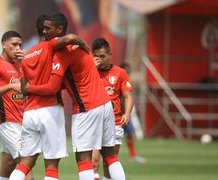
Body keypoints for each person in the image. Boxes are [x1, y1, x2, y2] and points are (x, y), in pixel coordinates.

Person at [25, 13, 126, 180]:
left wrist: (28, 89)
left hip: (87, 108)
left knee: (83, 159)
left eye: (48, 28)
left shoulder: (62, 53)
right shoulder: (80, 48)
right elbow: (71, 81)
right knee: (110, 156)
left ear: (59, 30)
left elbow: (52, 87)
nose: (44, 31)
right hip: (105, 105)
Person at [9, 14, 89, 180]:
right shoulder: (49, 46)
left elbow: (24, 89)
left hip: (30, 113)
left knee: (25, 163)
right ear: (46, 32)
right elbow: (68, 39)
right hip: (50, 110)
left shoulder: (26, 57)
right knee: (51, 166)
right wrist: (80, 42)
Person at [0, 31, 32, 180]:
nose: (17, 48)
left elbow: (27, 88)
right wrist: (10, 87)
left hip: (21, 122)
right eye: (14, 44)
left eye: (20, 45)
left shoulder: (20, 65)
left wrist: (26, 63)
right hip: (7, 123)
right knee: (26, 162)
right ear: (4, 45)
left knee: (8, 165)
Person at [91, 38, 133, 180]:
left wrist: (127, 113)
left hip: (114, 123)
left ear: (110, 55)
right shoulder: (89, 73)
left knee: (109, 162)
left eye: (102, 56)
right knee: (93, 162)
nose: (100, 60)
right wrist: (92, 69)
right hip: (94, 122)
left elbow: (128, 96)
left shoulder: (120, 73)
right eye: (96, 56)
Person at [120, 63, 147, 164]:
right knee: (108, 138)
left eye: (128, 72)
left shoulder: (127, 83)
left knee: (130, 134)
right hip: (116, 114)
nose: (127, 74)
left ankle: (133, 155)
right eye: (126, 72)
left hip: (125, 114)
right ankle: (102, 156)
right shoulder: (116, 81)